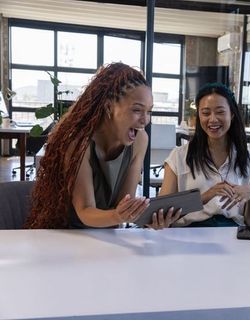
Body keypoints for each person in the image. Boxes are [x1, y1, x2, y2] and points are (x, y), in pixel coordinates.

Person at [25, 62, 179, 229]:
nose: (145, 120)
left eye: (149, 111)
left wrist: (144, 217)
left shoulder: (140, 140)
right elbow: (85, 210)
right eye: (137, 110)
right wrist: (118, 215)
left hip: (110, 235)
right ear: (108, 106)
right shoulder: (78, 142)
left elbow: (124, 203)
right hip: (70, 235)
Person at [159, 82, 250, 227]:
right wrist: (206, 196)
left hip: (231, 235)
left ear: (231, 114)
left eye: (220, 112)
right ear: (199, 116)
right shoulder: (179, 157)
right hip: (189, 234)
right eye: (206, 113)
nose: (212, 119)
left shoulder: (247, 159)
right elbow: (162, 212)